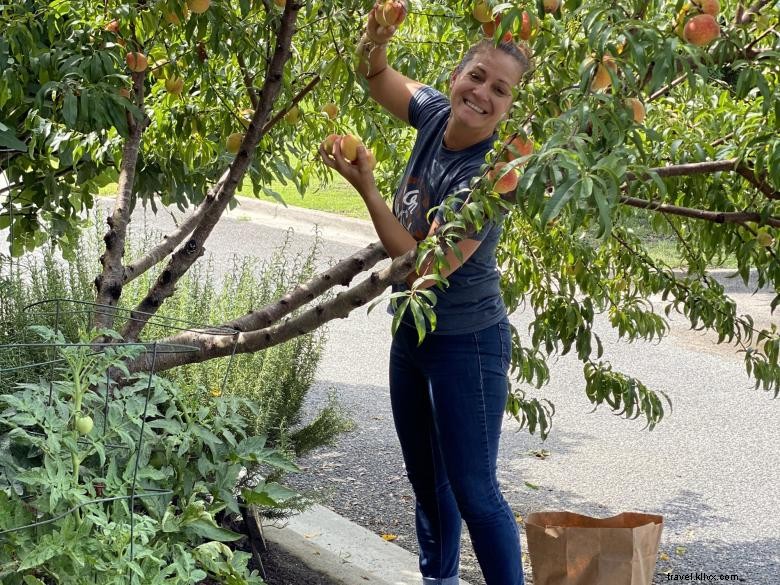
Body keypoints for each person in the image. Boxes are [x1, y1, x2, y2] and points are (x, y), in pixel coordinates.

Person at [318, 4, 532, 584]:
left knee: (474, 491)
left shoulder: (492, 177)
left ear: (511, 108)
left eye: (501, 90)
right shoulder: (436, 114)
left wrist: (365, 187)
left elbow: (420, 266)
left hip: (467, 342)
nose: (482, 92)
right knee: (426, 479)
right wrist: (375, 37)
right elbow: (377, 76)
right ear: (457, 75)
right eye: (477, 75)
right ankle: (439, 578)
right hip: (412, 332)